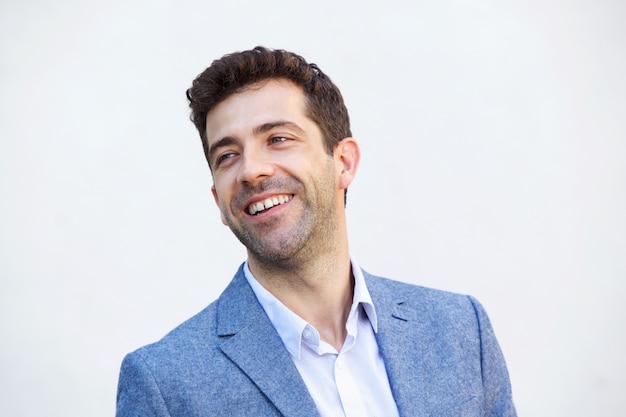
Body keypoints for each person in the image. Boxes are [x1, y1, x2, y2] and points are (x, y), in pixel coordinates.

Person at [115, 46, 517, 417]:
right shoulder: (164, 383)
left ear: (343, 162)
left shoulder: (461, 330)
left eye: (278, 139)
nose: (251, 170)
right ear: (218, 200)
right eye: (227, 156)